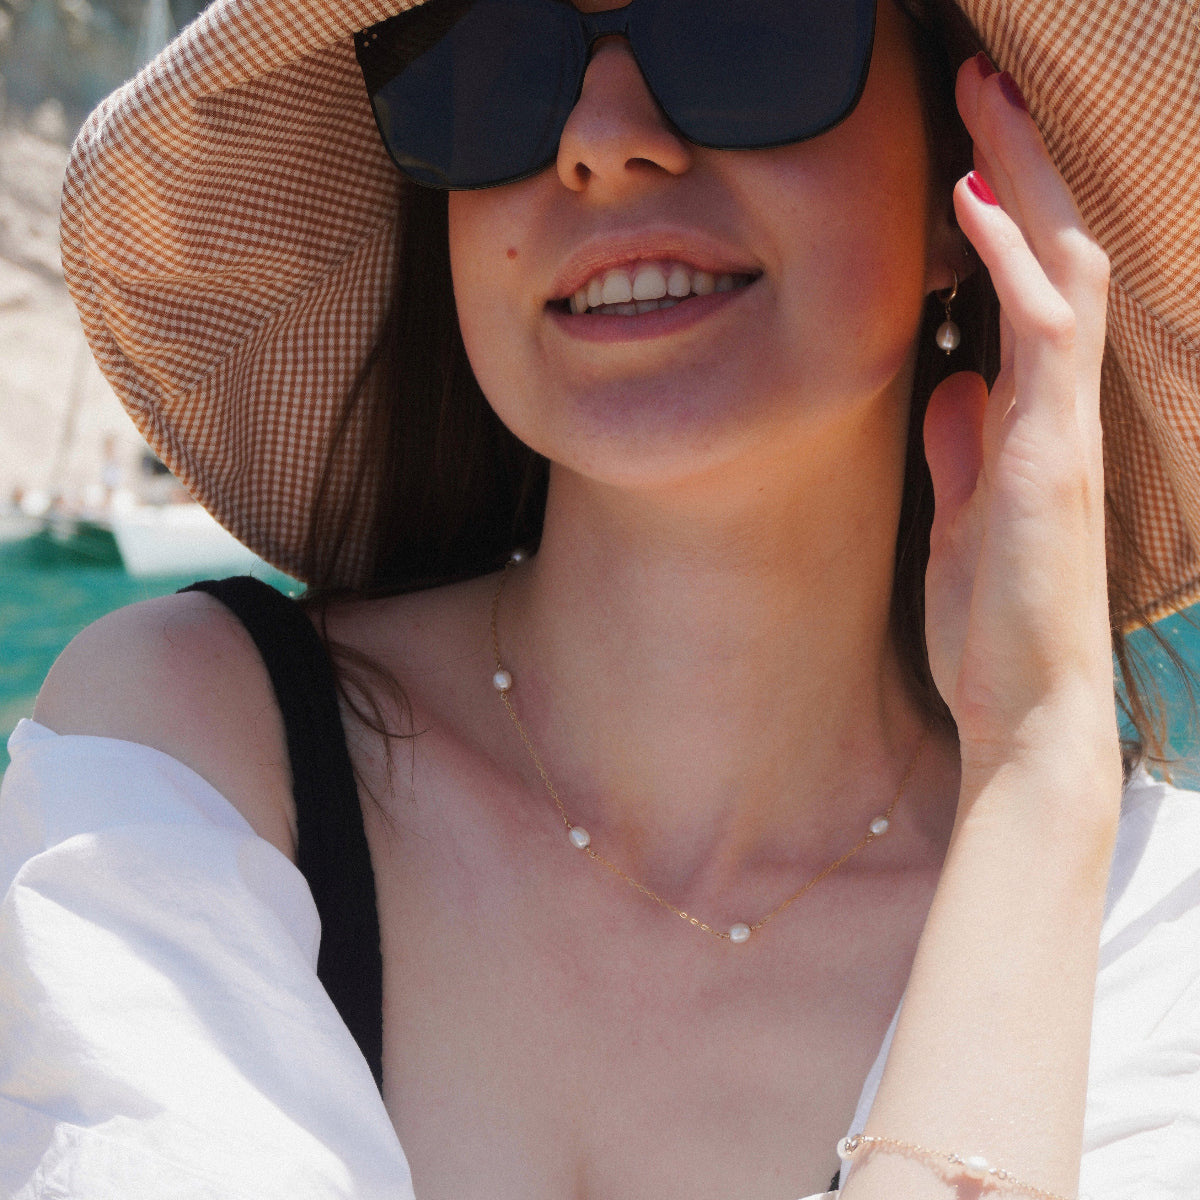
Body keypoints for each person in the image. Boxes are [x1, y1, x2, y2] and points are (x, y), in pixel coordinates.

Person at [1, 0, 1198, 1197]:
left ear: (967, 175)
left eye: (739, 33)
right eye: (499, 54)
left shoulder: (1151, 934)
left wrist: (1038, 780)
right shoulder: (183, 759)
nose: (601, 136)